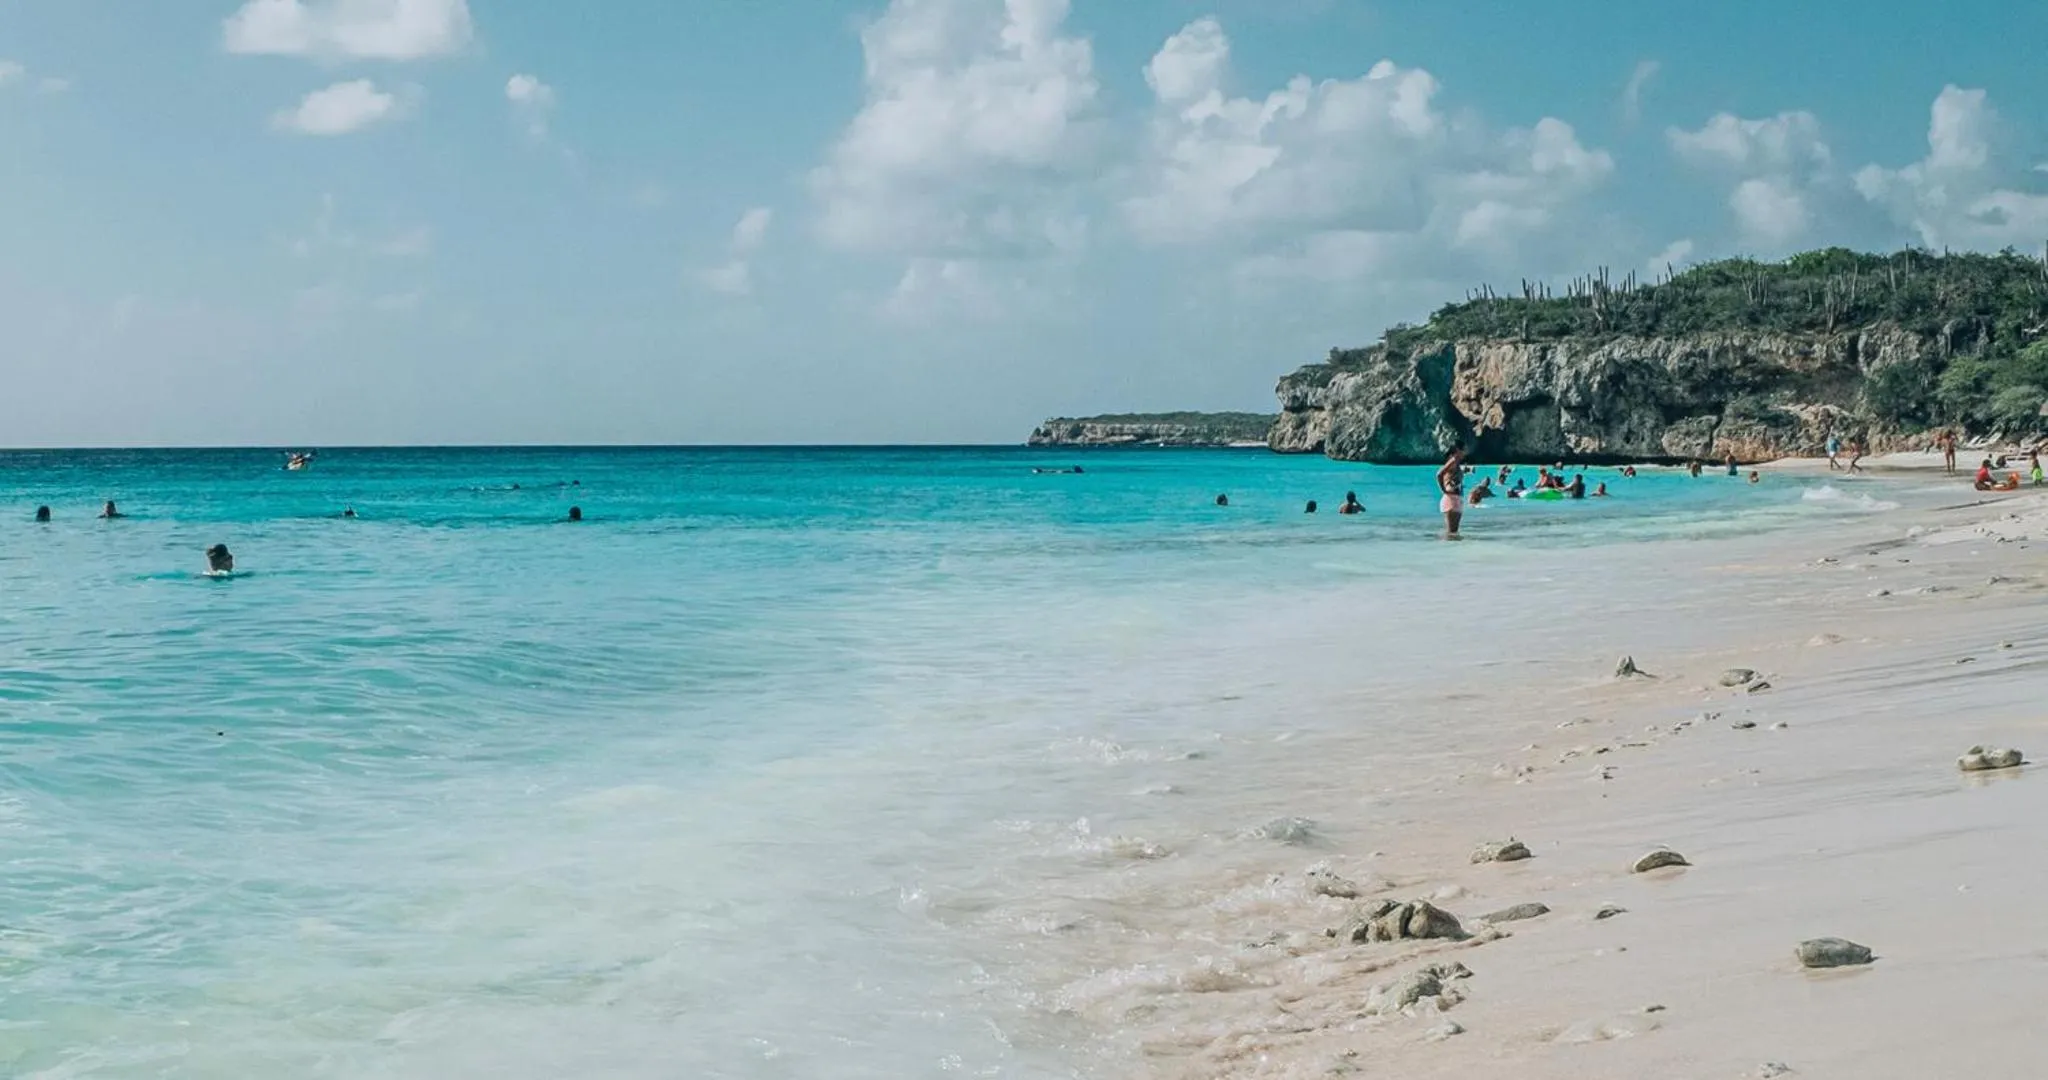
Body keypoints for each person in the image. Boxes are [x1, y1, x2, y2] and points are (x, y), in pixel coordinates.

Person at [1436, 448, 1465, 539]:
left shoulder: (1456, 464)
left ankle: (1451, 551)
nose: (1463, 453)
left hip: (1456, 498)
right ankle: (1445, 550)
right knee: (1452, 532)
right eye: (1460, 451)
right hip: (1451, 498)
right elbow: (1439, 474)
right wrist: (1444, 490)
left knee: (1454, 533)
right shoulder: (1452, 461)